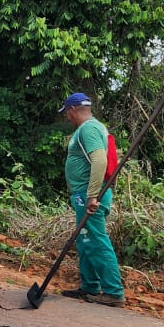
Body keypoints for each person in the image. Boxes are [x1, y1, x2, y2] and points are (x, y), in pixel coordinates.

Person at [58, 92, 125, 307]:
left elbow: (99, 161)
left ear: (73, 110)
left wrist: (92, 196)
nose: (67, 118)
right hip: (85, 195)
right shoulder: (91, 128)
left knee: (95, 239)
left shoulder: (88, 129)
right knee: (85, 239)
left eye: (67, 113)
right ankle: (90, 286)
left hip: (90, 195)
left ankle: (113, 293)